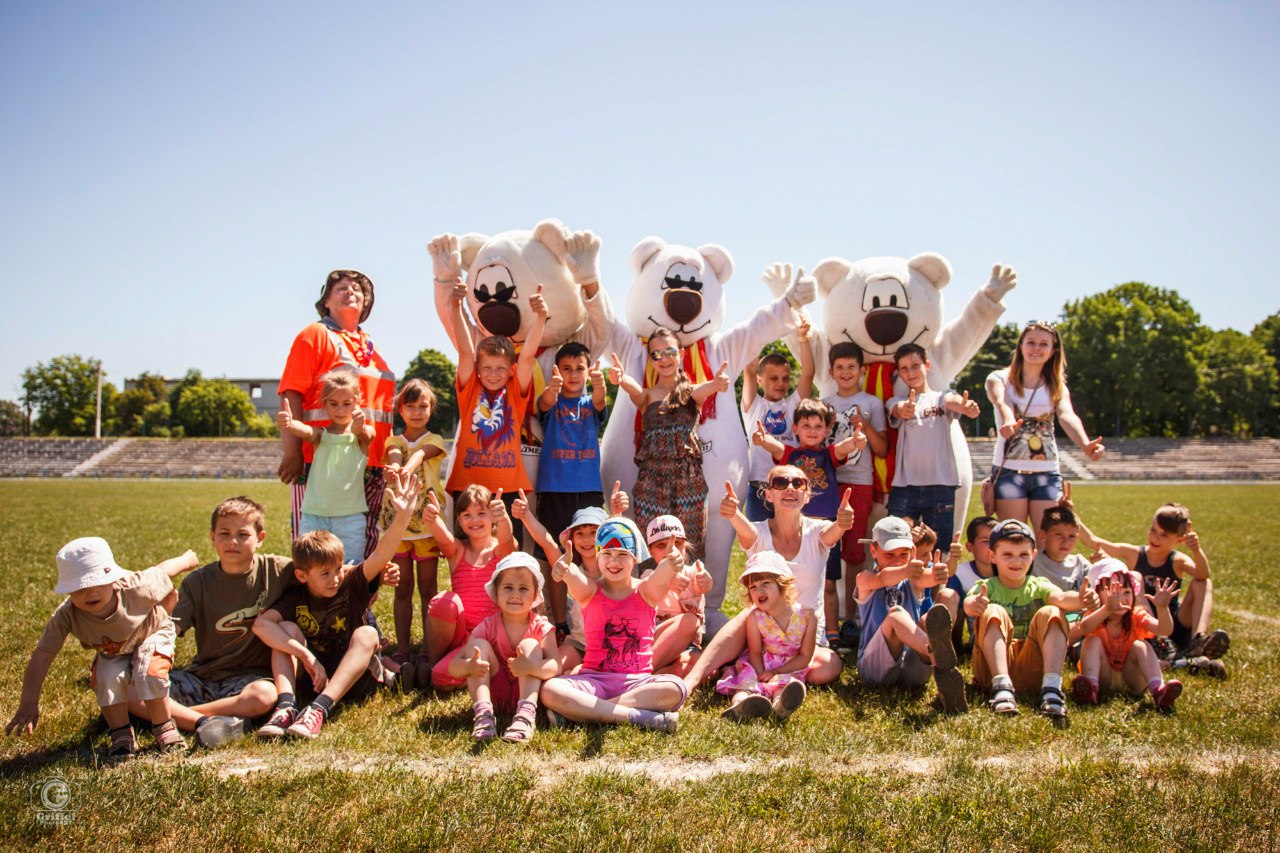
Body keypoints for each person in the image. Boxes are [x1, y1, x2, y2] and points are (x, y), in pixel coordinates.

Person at [253, 473, 417, 739]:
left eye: (338, 569)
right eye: (325, 574)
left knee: (368, 633)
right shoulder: (297, 595)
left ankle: (318, 710)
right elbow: (262, 625)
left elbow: (380, 555)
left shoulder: (351, 582)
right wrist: (305, 656)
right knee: (284, 629)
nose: (336, 578)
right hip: (312, 675)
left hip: (353, 678)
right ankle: (285, 707)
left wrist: (402, 517)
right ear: (302, 576)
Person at [7, 539, 200, 759]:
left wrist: (186, 560)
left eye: (97, 583)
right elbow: (42, 655)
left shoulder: (136, 587)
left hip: (152, 630)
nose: (90, 593)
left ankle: (164, 727)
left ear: (112, 579)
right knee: (105, 679)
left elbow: (161, 571)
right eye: (79, 587)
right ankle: (121, 734)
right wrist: (28, 702)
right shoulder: (66, 615)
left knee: (149, 672)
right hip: (114, 649)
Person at [131, 497, 295, 748]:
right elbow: (170, 629)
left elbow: (321, 571)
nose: (233, 541)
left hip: (248, 681)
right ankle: (211, 722)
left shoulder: (278, 570)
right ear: (212, 536)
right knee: (130, 690)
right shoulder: (197, 582)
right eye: (224, 533)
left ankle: (172, 716)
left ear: (260, 538)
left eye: (243, 534)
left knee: (263, 697)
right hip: (204, 676)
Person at [684, 465, 851, 693]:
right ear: (769, 494)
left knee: (829, 667)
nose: (790, 487)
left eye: (798, 483)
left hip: (804, 636)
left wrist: (841, 524)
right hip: (762, 633)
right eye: (781, 482)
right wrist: (734, 515)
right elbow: (747, 531)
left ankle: (757, 671)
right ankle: (692, 680)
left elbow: (832, 533)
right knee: (746, 616)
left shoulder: (817, 531)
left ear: (807, 494)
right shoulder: (759, 532)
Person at [278, 269, 396, 559]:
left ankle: (359, 603)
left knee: (364, 542)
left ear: (366, 304)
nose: (350, 292)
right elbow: (291, 392)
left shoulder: (370, 345)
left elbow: (382, 410)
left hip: (369, 462)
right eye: (341, 288)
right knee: (314, 546)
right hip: (320, 459)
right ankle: (311, 604)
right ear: (326, 301)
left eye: (357, 289)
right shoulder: (315, 335)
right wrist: (292, 452)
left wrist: (391, 457)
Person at [539, 518, 688, 732]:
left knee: (676, 688)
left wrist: (670, 564)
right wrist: (566, 569)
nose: (613, 561)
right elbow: (573, 578)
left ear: (635, 558)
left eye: (622, 555)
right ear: (598, 558)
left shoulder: (646, 591)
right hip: (593, 682)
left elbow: (660, 576)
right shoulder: (590, 591)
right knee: (550, 690)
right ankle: (639, 717)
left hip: (637, 684)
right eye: (606, 554)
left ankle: (585, 713)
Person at [608, 328, 731, 558]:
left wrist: (717, 383)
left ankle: (690, 593)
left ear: (681, 354)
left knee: (689, 547)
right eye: (656, 354)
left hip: (688, 480)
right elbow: (633, 389)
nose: (663, 358)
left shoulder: (692, 393)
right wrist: (621, 378)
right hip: (651, 481)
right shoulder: (647, 396)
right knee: (651, 546)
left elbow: (709, 387)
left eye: (669, 352)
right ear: (651, 360)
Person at [753, 398, 867, 644]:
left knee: (829, 582)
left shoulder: (828, 454)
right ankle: (788, 626)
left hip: (827, 527)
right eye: (806, 425)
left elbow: (843, 448)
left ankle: (831, 631)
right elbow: (775, 448)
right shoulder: (792, 454)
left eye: (818, 426)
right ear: (795, 429)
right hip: (797, 526)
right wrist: (763, 440)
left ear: (827, 430)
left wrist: (856, 442)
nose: (813, 431)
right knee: (796, 579)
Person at [444, 279, 546, 540]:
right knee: (467, 555)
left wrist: (541, 317)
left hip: (508, 488)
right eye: (487, 368)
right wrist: (455, 307)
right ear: (478, 370)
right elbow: (466, 353)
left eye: (501, 368)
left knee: (508, 556)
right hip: (468, 486)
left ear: (511, 370)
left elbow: (527, 357)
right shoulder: (470, 391)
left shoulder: (515, 390)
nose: (493, 374)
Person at [1076, 502, 1228, 670]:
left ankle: (1197, 640)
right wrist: (1070, 512)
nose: (1155, 538)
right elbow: (1094, 541)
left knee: (1202, 583)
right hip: (1140, 624)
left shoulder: (1177, 560)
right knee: (1135, 577)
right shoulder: (1135, 554)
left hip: (1170, 623)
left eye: (1164, 534)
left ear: (1179, 540)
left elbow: (1203, 573)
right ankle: (1187, 664)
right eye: (1153, 530)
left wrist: (1196, 550)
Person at [984, 320, 1104, 532]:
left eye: (1043, 344)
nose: (1036, 349)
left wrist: (1085, 444)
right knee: (1014, 538)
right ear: (1020, 345)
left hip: (1047, 472)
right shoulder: (999, 378)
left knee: (1048, 540)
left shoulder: (1056, 385)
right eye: (1031, 342)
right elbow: (1002, 401)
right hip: (1010, 471)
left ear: (1053, 350)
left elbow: (1067, 415)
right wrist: (1009, 420)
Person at [964, 519, 1082, 718]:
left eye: (1023, 555)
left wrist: (1081, 599)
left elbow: (1061, 598)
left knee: (1053, 611)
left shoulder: (1039, 585)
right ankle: (1001, 687)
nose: (1016, 562)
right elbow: (968, 604)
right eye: (1007, 555)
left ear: (1033, 555)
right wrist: (974, 604)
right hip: (991, 671)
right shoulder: (987, 586)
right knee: (992, 610)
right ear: (992, 556)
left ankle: (1052, 688)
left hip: (1032, 669)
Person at [535, 341, 609, 639]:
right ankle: (560, 623)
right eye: (567, 369)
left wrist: (600, 384)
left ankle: (598, 614)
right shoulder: (552, 403)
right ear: (557, 371)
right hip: (554, 489)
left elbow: (602, 401)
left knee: (597, 552)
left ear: (589, 371)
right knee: (556, 556)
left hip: (589, 489)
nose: (574, 374)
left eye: (580, 368)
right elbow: (543, 403)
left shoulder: (591, 403)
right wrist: (552, 389)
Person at [854, 518, 967, 713]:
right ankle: (938, 657)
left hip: (912, 670)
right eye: (890, 555)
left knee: (926, 620)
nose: (897, 560)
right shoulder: (865, 579)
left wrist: (947, 566)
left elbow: (931, 577)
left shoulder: (913, 579)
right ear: (873, 551)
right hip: (875, 671)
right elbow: (883, 578)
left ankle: (936, 657)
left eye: (904, 554)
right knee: (896, 614)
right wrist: (906, 569)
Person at [448, 553, 560, 743]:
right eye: (508, 587)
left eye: (523, 588)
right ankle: (483, 714)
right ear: (496, 593)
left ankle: (525, 717)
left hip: (530, 692)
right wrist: (469, 666)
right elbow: (453, 666)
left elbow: (555, 666)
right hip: (495, 692)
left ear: (534, 595)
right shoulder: (489, 625)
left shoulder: (541, 626)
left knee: (529, 645)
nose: (515, 594)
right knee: (478, 646)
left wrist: (531, 667)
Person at [412, 485, 513, 690]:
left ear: (492, 517)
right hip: (463, 638)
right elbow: (443, 538)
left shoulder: (500, 551)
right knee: (444, 603)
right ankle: (436, 663)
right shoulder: (458, 550)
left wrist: (503, 517)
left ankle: (474, 672)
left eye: (481, 513)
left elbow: (508, 540)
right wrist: (433, 519)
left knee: (446, 675)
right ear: (458, 520)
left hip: (493, 636)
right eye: (467, 515)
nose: (474, 520)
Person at [822, 341, 889, 651]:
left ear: (862, 370)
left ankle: (853, 619)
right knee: (824, 548)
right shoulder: (824, 403)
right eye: (840, 367)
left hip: (859, 483)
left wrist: (863, 426)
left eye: (852, 366)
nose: (846, 372)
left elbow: (882, 449)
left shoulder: (872, 403)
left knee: (854, 554)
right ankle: (825, 619)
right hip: (827, 483)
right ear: (832, 371)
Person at [377, 378, 447, 674]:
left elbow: (419, 454)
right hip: (399, 528)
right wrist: (394, 466)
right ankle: (404, 649)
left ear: (431, 409)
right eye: (410, 406)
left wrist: (403, 470)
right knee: (402, 588)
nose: (417, 412)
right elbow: (395, 453)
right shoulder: (393, 441)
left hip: (427, 527)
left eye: (423, 406)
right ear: (400, 410)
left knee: (428, 589)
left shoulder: (435, 440)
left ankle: (428, 650)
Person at [886, 343, 981, 550]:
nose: (910, 372)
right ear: (899, 373)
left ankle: (936, 584)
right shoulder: (897, 400)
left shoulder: (940, 397)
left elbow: (953, 401)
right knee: (894, 544)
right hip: (905, 487)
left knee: (939, 549)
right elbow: (896, 410)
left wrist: (966, 407)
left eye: (915, 365)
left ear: (927, 365)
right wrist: (903, 409)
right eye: (904, 368)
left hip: (941, 485)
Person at [277, 367, 375, 564]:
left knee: (350, 567)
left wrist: (359, 425)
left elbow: (364, 433)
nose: (340, 410)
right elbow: (305, 431)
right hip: (314, 516)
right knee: (309, 565)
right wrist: (289, 424)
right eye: (334, 403)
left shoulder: (362, 436)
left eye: (346, 403)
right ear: (325, 404)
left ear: (357, 402)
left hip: (350, 517)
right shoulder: (320, 436)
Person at [716, 552, 827, 722]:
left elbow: (805, 656)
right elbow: (754, 652)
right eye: (752, 587)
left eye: (765, 583)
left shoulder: (808, 617)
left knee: (786, 684)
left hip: (790, 666)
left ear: (782, 583)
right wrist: (761, 674)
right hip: (761, 662)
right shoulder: (755, 617)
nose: (759, 590)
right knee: (748, 681)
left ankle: (781, 705)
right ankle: (740, 704)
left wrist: (776, 672)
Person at [1071, 562, 1182, 713]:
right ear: (1098, 594)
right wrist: (1107, 609)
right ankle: (1091, 689)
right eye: (1114, 593)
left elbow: (1164, 630)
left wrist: (1162, 609)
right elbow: (1084, 628)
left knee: (1142, 645)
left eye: (1127, 592)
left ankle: (1158, 691)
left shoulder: (1136, 616)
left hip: (1132, 679)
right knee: (1092, 641)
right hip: (1103, 677)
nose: (1122, 598)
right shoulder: (1096, 617)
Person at [740, 318, 815, 522]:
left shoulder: (793, 405)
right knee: (760, 549)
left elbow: (808, 374)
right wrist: (758, 332)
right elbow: (749, 367)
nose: (780, 383)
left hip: (791, 487)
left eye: (785, 378)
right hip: (759, 488)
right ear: (759, 380)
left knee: (792, 545)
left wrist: (803, 338)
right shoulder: (753, 405)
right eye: (773, 378)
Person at [637, 516, 713, 676]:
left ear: (685, 546)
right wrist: (666, 581)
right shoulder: (649, 574)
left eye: (677, 543)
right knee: (690, 620)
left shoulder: (693, 571)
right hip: (656, 640)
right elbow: (649, 587)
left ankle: (656, 676)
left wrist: (705, 582)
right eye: (661, 546)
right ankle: (643, 671)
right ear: (650, 551)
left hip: (688, 646)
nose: (670, 550)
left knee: (708, 669)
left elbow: (705, 581)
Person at [1032, 505, 1090, 593]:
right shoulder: (1032, 563)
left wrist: (1104, 562)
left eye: (1071, 536)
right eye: (1058, 535)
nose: (1066, 542)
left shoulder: (1081, 564)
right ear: (1042, 535)